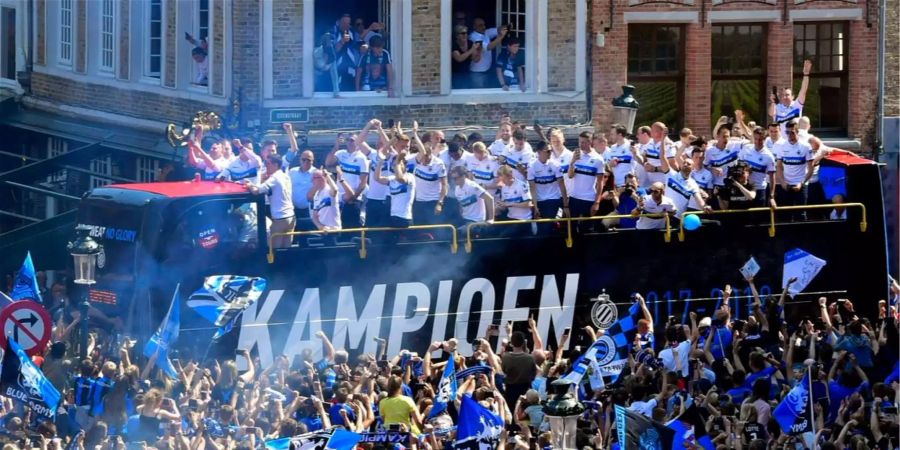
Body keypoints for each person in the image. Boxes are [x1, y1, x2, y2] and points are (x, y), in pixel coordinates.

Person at [245, 154, 294, 249]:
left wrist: (249, 185)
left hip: (280, 218)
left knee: (274, 249)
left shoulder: (274, 178)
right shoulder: (284, 176)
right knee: (287, 248)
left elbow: (256, 191)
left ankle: (276, 264)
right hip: (291, 216)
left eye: (268, 163)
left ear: (275, 165)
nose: (266, 166)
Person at [325, 133, 369, 229]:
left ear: (357, 142)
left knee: (352, 229)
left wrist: (353, 198)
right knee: (339, 226)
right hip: (339, 198)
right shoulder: (341, 153)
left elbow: (363, 183)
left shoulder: (362, 158)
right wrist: (336, 147)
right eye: (348, 140)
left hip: (353, 200)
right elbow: (328, 163)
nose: (349, 142)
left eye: (352, 140)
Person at [409, 122, 448, 227]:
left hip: (433, 202)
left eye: (426, 157)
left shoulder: (439, 164)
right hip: (418, 202)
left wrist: (440, 203)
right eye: (423, 157)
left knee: (435, 230)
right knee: (418, 229)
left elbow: (444, 185)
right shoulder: (416, 161)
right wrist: (415, 133)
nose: (424, 160)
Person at [773, 120, 814, 218]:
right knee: (785, 214)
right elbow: (778, 166)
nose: (789, 135)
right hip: (786, 184)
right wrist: (782, 183)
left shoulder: (805, 146)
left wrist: (802, 183)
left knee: (801, 214)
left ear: (797, 131)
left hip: (801, 184)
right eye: (787, 132)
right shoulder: (782, 146)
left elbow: (811, 168)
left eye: (792, 132)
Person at [566, 131, 606, 228]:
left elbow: (600, 182)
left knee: (586, 227)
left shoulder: (598, 159)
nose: (581, 144)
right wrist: (572, 163)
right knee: (571, 227)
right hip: (574, 197)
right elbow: (570, 176)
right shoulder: (574, 155)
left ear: (590, 142)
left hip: (588, 199)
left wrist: (597, 202)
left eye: (584, 142)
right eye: (579, 142)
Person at [527, 142, 568, 233]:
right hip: (540, 200)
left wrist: (566, 205)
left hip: (553, 199)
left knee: (547, 227)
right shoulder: (532, 166)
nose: (550, 153)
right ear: (539, 152)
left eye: (551, 151)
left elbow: (562, 185)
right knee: (540, 228)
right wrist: (536, 206)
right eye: (548, 151)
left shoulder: (555, 165)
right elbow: (532, 187)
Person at [373, 148, 415, 230]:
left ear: (405, 166)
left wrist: (398, 162)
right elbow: (377, 178)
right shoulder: (392, 179)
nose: (395, 166)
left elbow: (400, 179)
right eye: (394, 165)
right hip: (393, 216)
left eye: (399, 165)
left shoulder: (409, 176)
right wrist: (381, 162)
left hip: (405, 218)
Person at [768, 60, 813, 135]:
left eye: (787, 95)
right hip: (782, 142)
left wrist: (806, 75)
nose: (785, 97)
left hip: (795, 140)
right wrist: (772, 102)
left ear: (793, 97)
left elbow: (803, 91)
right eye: (783, 95)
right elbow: (771, 113)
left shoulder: (796, 105)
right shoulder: (777, 106)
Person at [740, 126, 777, 207]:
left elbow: (772, 178)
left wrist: (771, 196)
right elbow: (739, 165)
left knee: (759, 217)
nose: (757, 142)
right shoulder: (746, 148)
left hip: (760, 189)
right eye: (756, 139)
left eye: (760, 139)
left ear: (764, 139)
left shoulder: (769, 156)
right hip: (746, 188)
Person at [451, 166, 495, 234]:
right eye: (453, 178)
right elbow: (460, 204)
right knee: (449, 230)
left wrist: (491, 219)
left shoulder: (472, 186)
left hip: (476, 221)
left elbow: (489, 199)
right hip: (465, 218)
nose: (454, 180)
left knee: (458, 233)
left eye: (456, 178)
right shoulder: (457, 189)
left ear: (463, 176)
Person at [468, 20, 507, 88]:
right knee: (479, 94)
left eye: (484, 25)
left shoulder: (486, 32)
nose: (483, 27)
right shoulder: (473, 37)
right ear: (474, 27)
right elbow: (488, 47)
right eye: (480, 25)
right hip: (477, 72)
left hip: (487, 70)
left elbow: (498, 30)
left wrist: (507, 27)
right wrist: (500, 37)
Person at [313, 32, 340, 97]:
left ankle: (336, 93)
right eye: (329, 41)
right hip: (318, 68)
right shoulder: (317, 51)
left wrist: (336, 93)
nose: (330, 43)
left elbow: (334, 76)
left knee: (334, 72)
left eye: (331, 41)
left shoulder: (331, 55)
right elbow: (316, 64)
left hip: (326, 65)